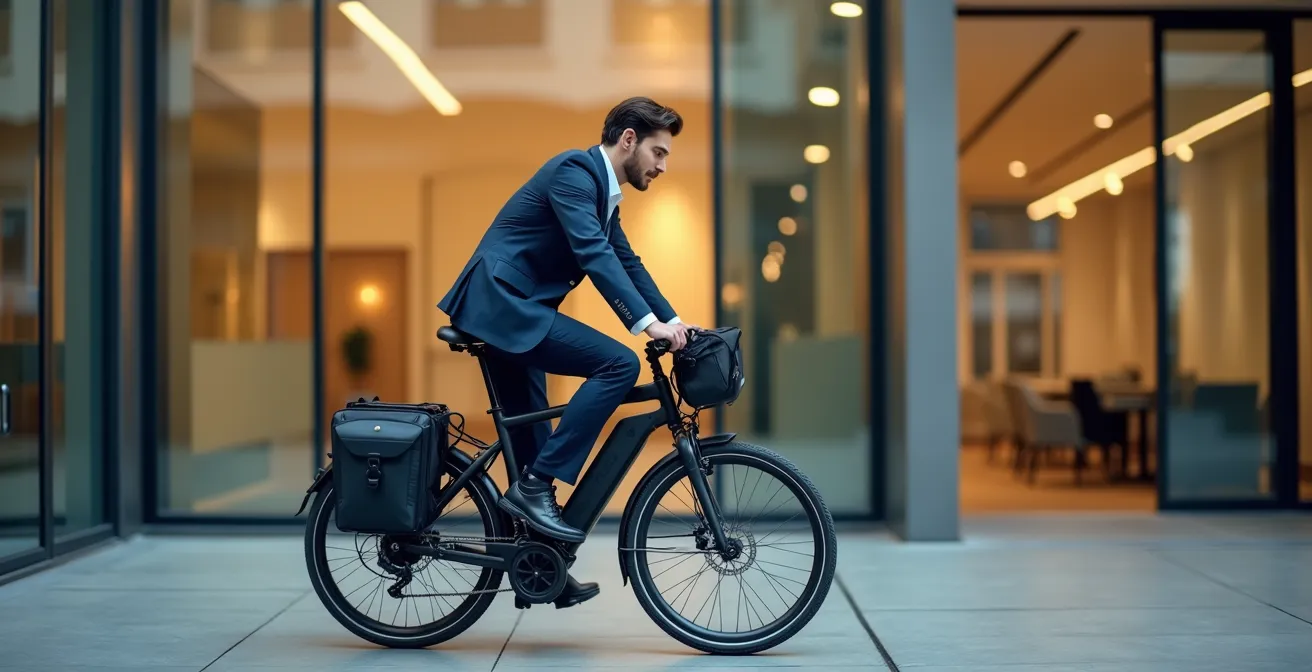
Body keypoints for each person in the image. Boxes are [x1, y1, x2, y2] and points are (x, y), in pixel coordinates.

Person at [436, 97, 696, 608]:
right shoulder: (574, 172)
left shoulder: (603, 195)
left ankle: (540, 564)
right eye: (659, 152)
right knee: (617, 364)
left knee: (533, 441)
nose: (662, 166)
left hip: (516, 310)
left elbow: (627, 261)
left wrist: (673, 322)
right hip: (499, 304)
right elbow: (593, 253)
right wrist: (645, 326)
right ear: (628, 139)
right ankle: (535, 487)